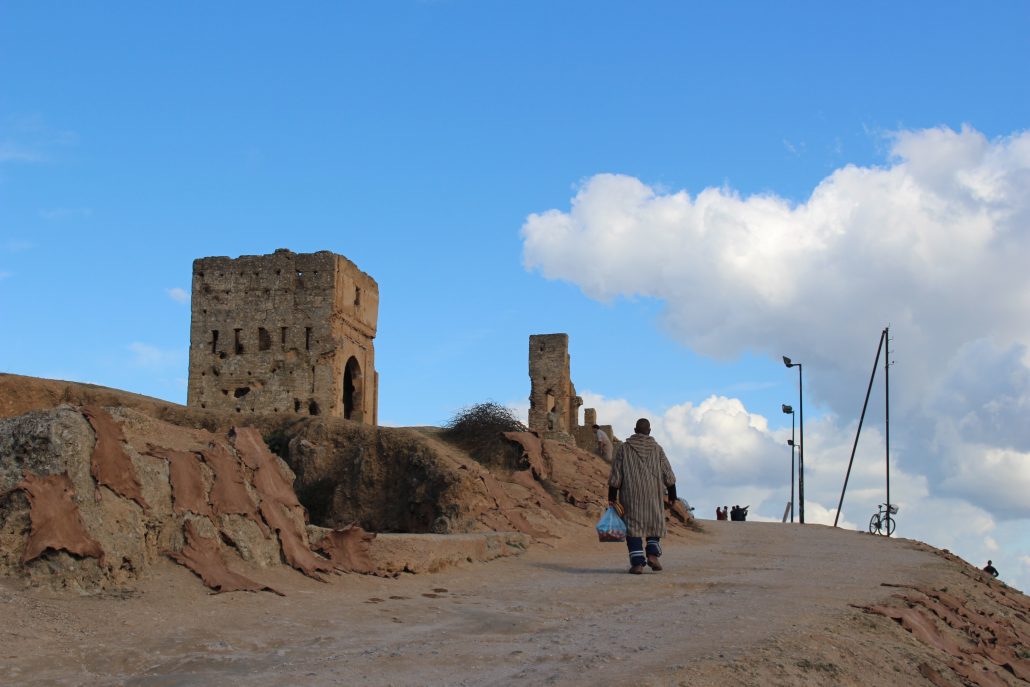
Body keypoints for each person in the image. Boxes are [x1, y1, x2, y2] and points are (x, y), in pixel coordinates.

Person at [607, 418, 677, 574]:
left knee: (633, 528)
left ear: (634, 430)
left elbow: (616, 476)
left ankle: (638, 564)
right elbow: (668, 474)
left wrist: (611, 498)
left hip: (630, 495)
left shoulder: (624, 449)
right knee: (654, 524)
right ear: (649, 431)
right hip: (653, 494)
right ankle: (652, 555)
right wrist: (673, 495)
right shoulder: (657, 449)